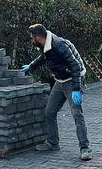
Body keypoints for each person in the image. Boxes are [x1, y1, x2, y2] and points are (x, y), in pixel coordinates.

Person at [21, 24, 92, 161]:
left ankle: (85, 148)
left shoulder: (59, 45)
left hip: (73, 79)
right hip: (60, 80)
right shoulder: (46, 45)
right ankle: (53, 143)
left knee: (77, 114)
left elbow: (76, 66)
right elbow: (44, 57)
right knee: (49, 112)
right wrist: (31, 66)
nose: (31, 41)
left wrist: (76, 90)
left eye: (32, 38)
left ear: (38, 37)